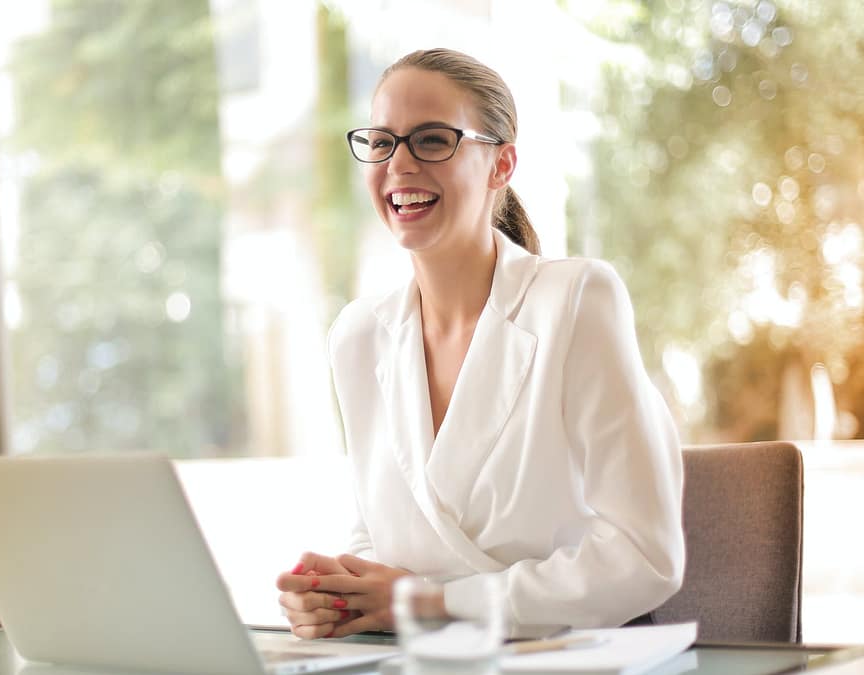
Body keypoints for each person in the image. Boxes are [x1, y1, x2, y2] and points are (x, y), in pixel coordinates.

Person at [275, 48, 685, 640]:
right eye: (382, 141)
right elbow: (380, 530)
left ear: (501, 164)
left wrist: (434, 601)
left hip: (562, 655)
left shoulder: (575, 301)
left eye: (433, 140)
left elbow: (646, 556)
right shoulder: (358, 337)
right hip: (428, 659)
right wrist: (339, 594)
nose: (400, 164)